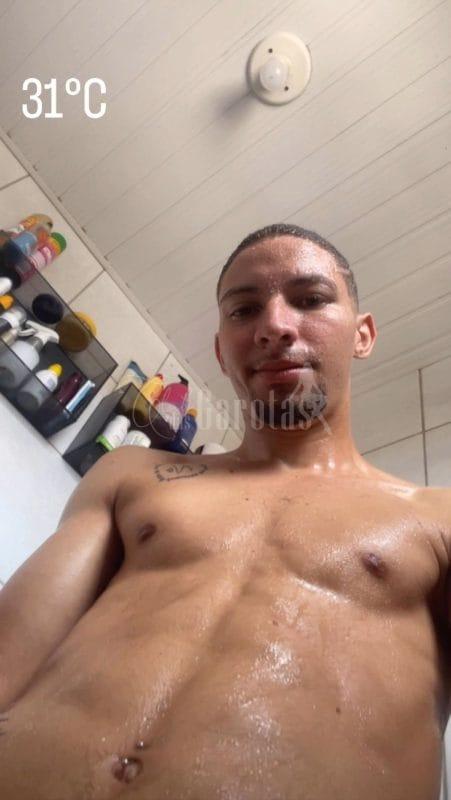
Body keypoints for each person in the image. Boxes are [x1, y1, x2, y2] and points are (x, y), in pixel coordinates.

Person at [0, 223, 449, 800]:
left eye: (310, 300)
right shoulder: (131, 475)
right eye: (244, 310)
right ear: (220, 350)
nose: (274, 326)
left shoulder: (438, 522)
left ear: (362, 335)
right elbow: (12, 652)